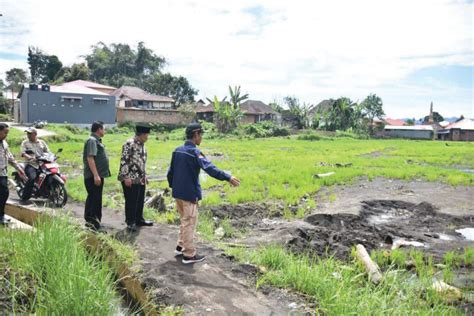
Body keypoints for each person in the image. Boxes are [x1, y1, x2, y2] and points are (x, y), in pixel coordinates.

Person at [167, 123, 240, 264]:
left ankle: (180, 246)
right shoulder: (194, 152)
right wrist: (228, 177)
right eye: (201, 135)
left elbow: (170, 172)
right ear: (196, 135)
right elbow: (210, 168)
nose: (201, 138)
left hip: (178, 193)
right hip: (189, 194)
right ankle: (189, 255)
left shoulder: (177, 151)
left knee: (184, 220)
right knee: (189, 223)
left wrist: (174, 187)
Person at [118, 124, 154, 232]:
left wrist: (145, 175)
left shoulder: (142, 145)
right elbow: (124, 160)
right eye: (147, 135)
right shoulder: (129, 144)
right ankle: (130, 222)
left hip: (140, 178)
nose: (147, 137)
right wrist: (126, 177)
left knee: (139, 200)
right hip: (130, 177)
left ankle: (139, 219)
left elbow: (142, 162)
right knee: (131, 200)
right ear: (141, 134)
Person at [83, 121, 111, 231]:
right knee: (95, 199)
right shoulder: (92, 141)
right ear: (99, 129)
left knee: (93, 197)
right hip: (93, 176)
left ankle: (91, 221)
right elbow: (90, 158)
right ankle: (94, 223)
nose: (104, 131)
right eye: (103, 129)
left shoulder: (95, 141)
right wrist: (96, 175)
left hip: (96, 176)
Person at [0, 123, 25, 225]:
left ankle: (1, 215)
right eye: (5, 132)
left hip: (2, 172)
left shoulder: (4, 143)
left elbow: (9, 157)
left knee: (4, 193)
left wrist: (19, 168)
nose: (6, 135)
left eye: (7, 133)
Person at [20, 127, 50, 201]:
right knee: (32, 178)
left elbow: (48, 151)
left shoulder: (42, 142)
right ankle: (25, 197)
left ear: (35, 134)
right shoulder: (25, 143)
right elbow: (23, 153)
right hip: (31, 164)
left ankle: (46, 192)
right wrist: (29, 157)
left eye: (30, 133)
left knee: (48, 175)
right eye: (27, 133)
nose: (28, 135)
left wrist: (52, 156)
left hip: (42, 163)